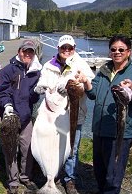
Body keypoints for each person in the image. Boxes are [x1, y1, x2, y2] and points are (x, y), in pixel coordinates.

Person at [77, 35, 132, 193]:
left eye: (121, 49)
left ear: (129, 52)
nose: (117, 52)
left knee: (113, 177)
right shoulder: (104, 70)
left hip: (120, 135)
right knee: (100, 172)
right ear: (110, 51)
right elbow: (93, 94)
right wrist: (86, 82)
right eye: (113, 49)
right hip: (99, 130)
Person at [34, 34, 95, 194]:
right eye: (63, 48)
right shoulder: (48, 65)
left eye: (70, 48)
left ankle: (69, 180)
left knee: (71, 149)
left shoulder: (81, 64)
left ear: (74, 48)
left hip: (74, 115)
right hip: (51, 114)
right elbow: (42, 81)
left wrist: (78, 86)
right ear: (58, 48)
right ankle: (51, 176)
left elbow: (88, 86)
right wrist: (40, 87)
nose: (66, 50)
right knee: (51, 145)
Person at [0, 39, 42, 194]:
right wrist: (7, 105)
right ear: (19, 52)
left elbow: (32, 99)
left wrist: (37, 92)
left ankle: (26, 176)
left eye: (31, 51)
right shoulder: (7, 71)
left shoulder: (36, 72)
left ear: (34, 54)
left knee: (28, 148)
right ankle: (13, 181)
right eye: (25, 51)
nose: (27, 54)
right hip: (10, 117)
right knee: (10, 149)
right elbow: (2, 92)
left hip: (26, 117)